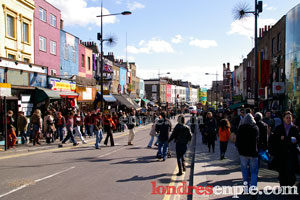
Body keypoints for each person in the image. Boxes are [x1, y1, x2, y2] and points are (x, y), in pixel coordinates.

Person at [269, 111, 300, 186]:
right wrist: (279, 138)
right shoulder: (279, 128)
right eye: (287, 118)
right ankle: (283, 185)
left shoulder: (295, 128)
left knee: (291, 170)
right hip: (282, 153)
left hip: (292, 153)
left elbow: (298, 138)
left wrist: (296, 140)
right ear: (283, 119)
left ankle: (290, 185)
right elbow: (274, 139)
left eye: (290, 118)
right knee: (282, 170)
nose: (288, 119)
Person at [235, 112, 259, 195]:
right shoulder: (255, 128)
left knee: (244, 171)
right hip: (253, 152)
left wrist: (239, 150)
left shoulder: (241, 128)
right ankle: (253, 188)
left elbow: (237, 142)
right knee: (254, 172)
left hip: (243, 153)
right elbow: (257, 140)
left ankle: (246, 188)